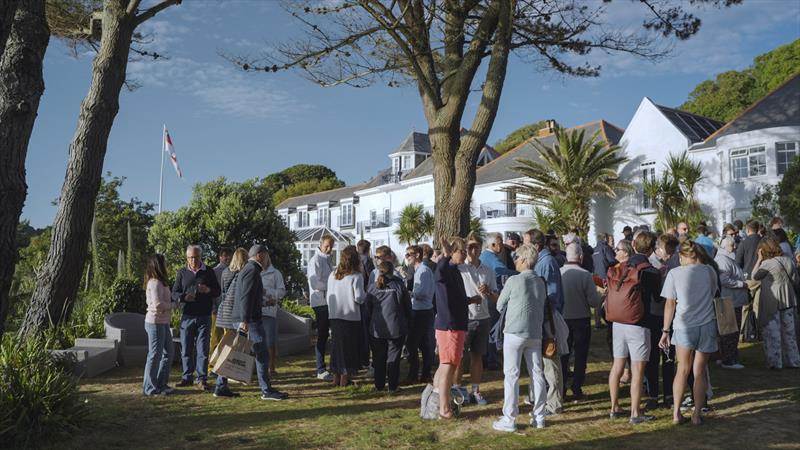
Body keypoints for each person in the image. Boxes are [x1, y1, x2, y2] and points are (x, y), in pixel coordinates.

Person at [659, 240, 719, 425]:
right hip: (707, 323)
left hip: (683, 325)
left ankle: (676, 413)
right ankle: (696, 414)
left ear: (682, 256)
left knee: (682, 370)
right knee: (699, 371)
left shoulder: (674, 273)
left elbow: (670, 304)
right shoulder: (710, 271)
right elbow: (713, 293)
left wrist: (665, 330)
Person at [492, 244, 548, 432]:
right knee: (537, 374)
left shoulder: (514, 280)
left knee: (512, 375)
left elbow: (500, 305)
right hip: (535, 332)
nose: (515, 260)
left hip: (515, 331)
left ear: (524, 260)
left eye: (517, 257)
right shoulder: (541, 282)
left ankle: (510, 418)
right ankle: (539, 416)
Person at [608, 232, 660, 424]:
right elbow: (657, 299)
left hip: (617, 321)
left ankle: (614, 407)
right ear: (652, 248)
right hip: (639, 323)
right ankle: (635, 412)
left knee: (617, 365)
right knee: (638, 371)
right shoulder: (650, 271)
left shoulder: (621, 267)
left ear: (634, 246)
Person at [232, 244, 289, 401]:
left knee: (236, 351)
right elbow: (246, 297)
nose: (266, 259)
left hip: (244, 317)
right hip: (250, 320)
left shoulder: (248, 269)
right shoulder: (252, 270)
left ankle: (220, 386)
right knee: (261, 354)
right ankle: (266, 390)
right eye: (265, 255)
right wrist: (245, 320)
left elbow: (250, 296)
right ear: (259, 256)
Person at [433, 236, 479, 419]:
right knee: (448, 366)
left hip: (455, 325)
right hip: (449, 326)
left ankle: (437, 401)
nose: (465, 254)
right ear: (453, 252)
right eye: (462, 250)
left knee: (446, 365)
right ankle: (444, 409)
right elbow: (439, 274)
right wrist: (445, 255)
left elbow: (455, 298)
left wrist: (471, 300)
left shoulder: (456, 271)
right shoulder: (445, 268)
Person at [455, 234, 499, 405]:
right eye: (471, 247)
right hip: (465, 318)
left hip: (483, 317)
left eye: (477, 247)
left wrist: (488, 291)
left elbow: (496, 298)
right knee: (459, 357)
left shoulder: (487, 270)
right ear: (466, 248)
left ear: (481, 248)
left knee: (477, 355)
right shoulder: (460, 268)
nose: (473, 250)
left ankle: (475, 390)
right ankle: (457, 390)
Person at [172, 245, 221, 391]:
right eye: (191, 257)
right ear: (187, 258)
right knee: (186, 348)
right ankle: (187, 377)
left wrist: (208, 290)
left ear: (201, 257)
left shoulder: (209, 271)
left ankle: (201, 379)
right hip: (187, 315)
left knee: (202, 349)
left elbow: (217, 291)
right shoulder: (182, 272)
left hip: (204, 315)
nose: (194, 260)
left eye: (196, 257)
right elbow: (174, 292)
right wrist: (183, 297)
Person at [528, 229, 565, 415]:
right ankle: (542, 398)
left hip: (547, 317)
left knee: (551, 360)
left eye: (526, 244)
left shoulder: (547, 263)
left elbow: (552, 295)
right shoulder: (541, 262)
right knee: (542, 361)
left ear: (535, 245)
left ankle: (554, 403)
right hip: (541, 316)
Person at [559, 243, 600, 400]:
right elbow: (594, 302)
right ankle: (577, 387)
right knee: (580, 355)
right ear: (581, 257)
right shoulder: (585, 275)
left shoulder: (560, 272)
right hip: (581, 319)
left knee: (563, 354)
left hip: (563, 319)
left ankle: (561, 386)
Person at [752, 237, 800, 369]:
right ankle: (794, 360)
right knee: (790, 333)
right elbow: (796, 280)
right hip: (789, 298)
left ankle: (775, 362)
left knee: (772, 333)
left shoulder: (767, 264)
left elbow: (754, 276)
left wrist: (759, 259)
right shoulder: (789, 260)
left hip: (772, 301)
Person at [367, 261, 412, 392]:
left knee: (378, 358)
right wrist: (409, 321)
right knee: (394, 357)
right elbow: (407, 306)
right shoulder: (399, 285)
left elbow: (367, 308)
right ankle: (392, 386)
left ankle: (379, 386)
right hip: (395, 327)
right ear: (393, 271)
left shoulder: (372, 287)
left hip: (377, 328)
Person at [327, 245, 367, 386]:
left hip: (335, 315)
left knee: (337, 347)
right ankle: (345, 378)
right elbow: (359, 298)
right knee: (349, 348)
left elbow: (328, 296)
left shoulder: (332, 275)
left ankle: (335, 378)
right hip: (350, 316)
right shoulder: (356, 276)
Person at [214, 248, 248, 398]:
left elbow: (223, 292)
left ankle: (221, 383)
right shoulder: (243, 274)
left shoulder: (226, 272)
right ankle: (221, 385)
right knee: (231, 351)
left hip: (224, 313)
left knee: (227, 349)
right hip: (235, 314)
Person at [143, 254, 176, 396]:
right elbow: (157, 305)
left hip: (163, 323)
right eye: (164, 263)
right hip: (155, 322)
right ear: (158, 265)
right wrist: (173, 305)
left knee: (169, 353)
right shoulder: (154, 282)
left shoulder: (161, 282)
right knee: (155, 355)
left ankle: (161, 384)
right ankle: (149, 388)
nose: (166, 265)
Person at [714, 236, 748, 369]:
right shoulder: (723, 260)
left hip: (731, 300)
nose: (735, 247)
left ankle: (725, 357)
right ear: (725, 246)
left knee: (728, 331)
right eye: (732, 245)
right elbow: (724, 280)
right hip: (729, 300)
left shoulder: (725, 258)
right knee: (730, 331)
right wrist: (742, 284)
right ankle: (729, 360)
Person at [405, 245, 436, 383]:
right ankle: (424, 373)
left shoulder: (423, 271)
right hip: (422, 310)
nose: (407, 257)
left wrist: (410, 293)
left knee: (414, 344)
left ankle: (416, 374)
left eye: (409, 254)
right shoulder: (420, 270)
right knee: (423, 344)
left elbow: (423, 292)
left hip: (421, 311)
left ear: (417, 255)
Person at [308, 234, 335, 381]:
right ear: (321, 244)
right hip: (320, 302)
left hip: (328, 301)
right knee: (323, 335)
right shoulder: (315, 260)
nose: (329, 249)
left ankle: (331, 366)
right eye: (327, 246)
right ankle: (320, 368)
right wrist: (332, 285)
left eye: (331, 246)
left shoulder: (327, 259)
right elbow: (314, 283)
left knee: (329, 335)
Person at [261, 249, 286, 376]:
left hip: (269, 312)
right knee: (256, 342)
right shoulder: (254, 272)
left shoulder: (276, 273)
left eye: (264, 257)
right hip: (255, 311)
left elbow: (282, 291)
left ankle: (271, 367)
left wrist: (269, 293)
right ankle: (256, 368)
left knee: (270, 341)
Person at [209, 247, 232, 369]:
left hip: (229, 311)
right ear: (220, 257)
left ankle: (226, 365)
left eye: (229, 255)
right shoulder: (215, 271)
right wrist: (213, 307)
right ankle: (212, 365)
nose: (227, 258)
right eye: (225, 255)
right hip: (217, 309)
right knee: (215, 338)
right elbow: (212, 291)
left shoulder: (233, 270)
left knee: (228, 339)